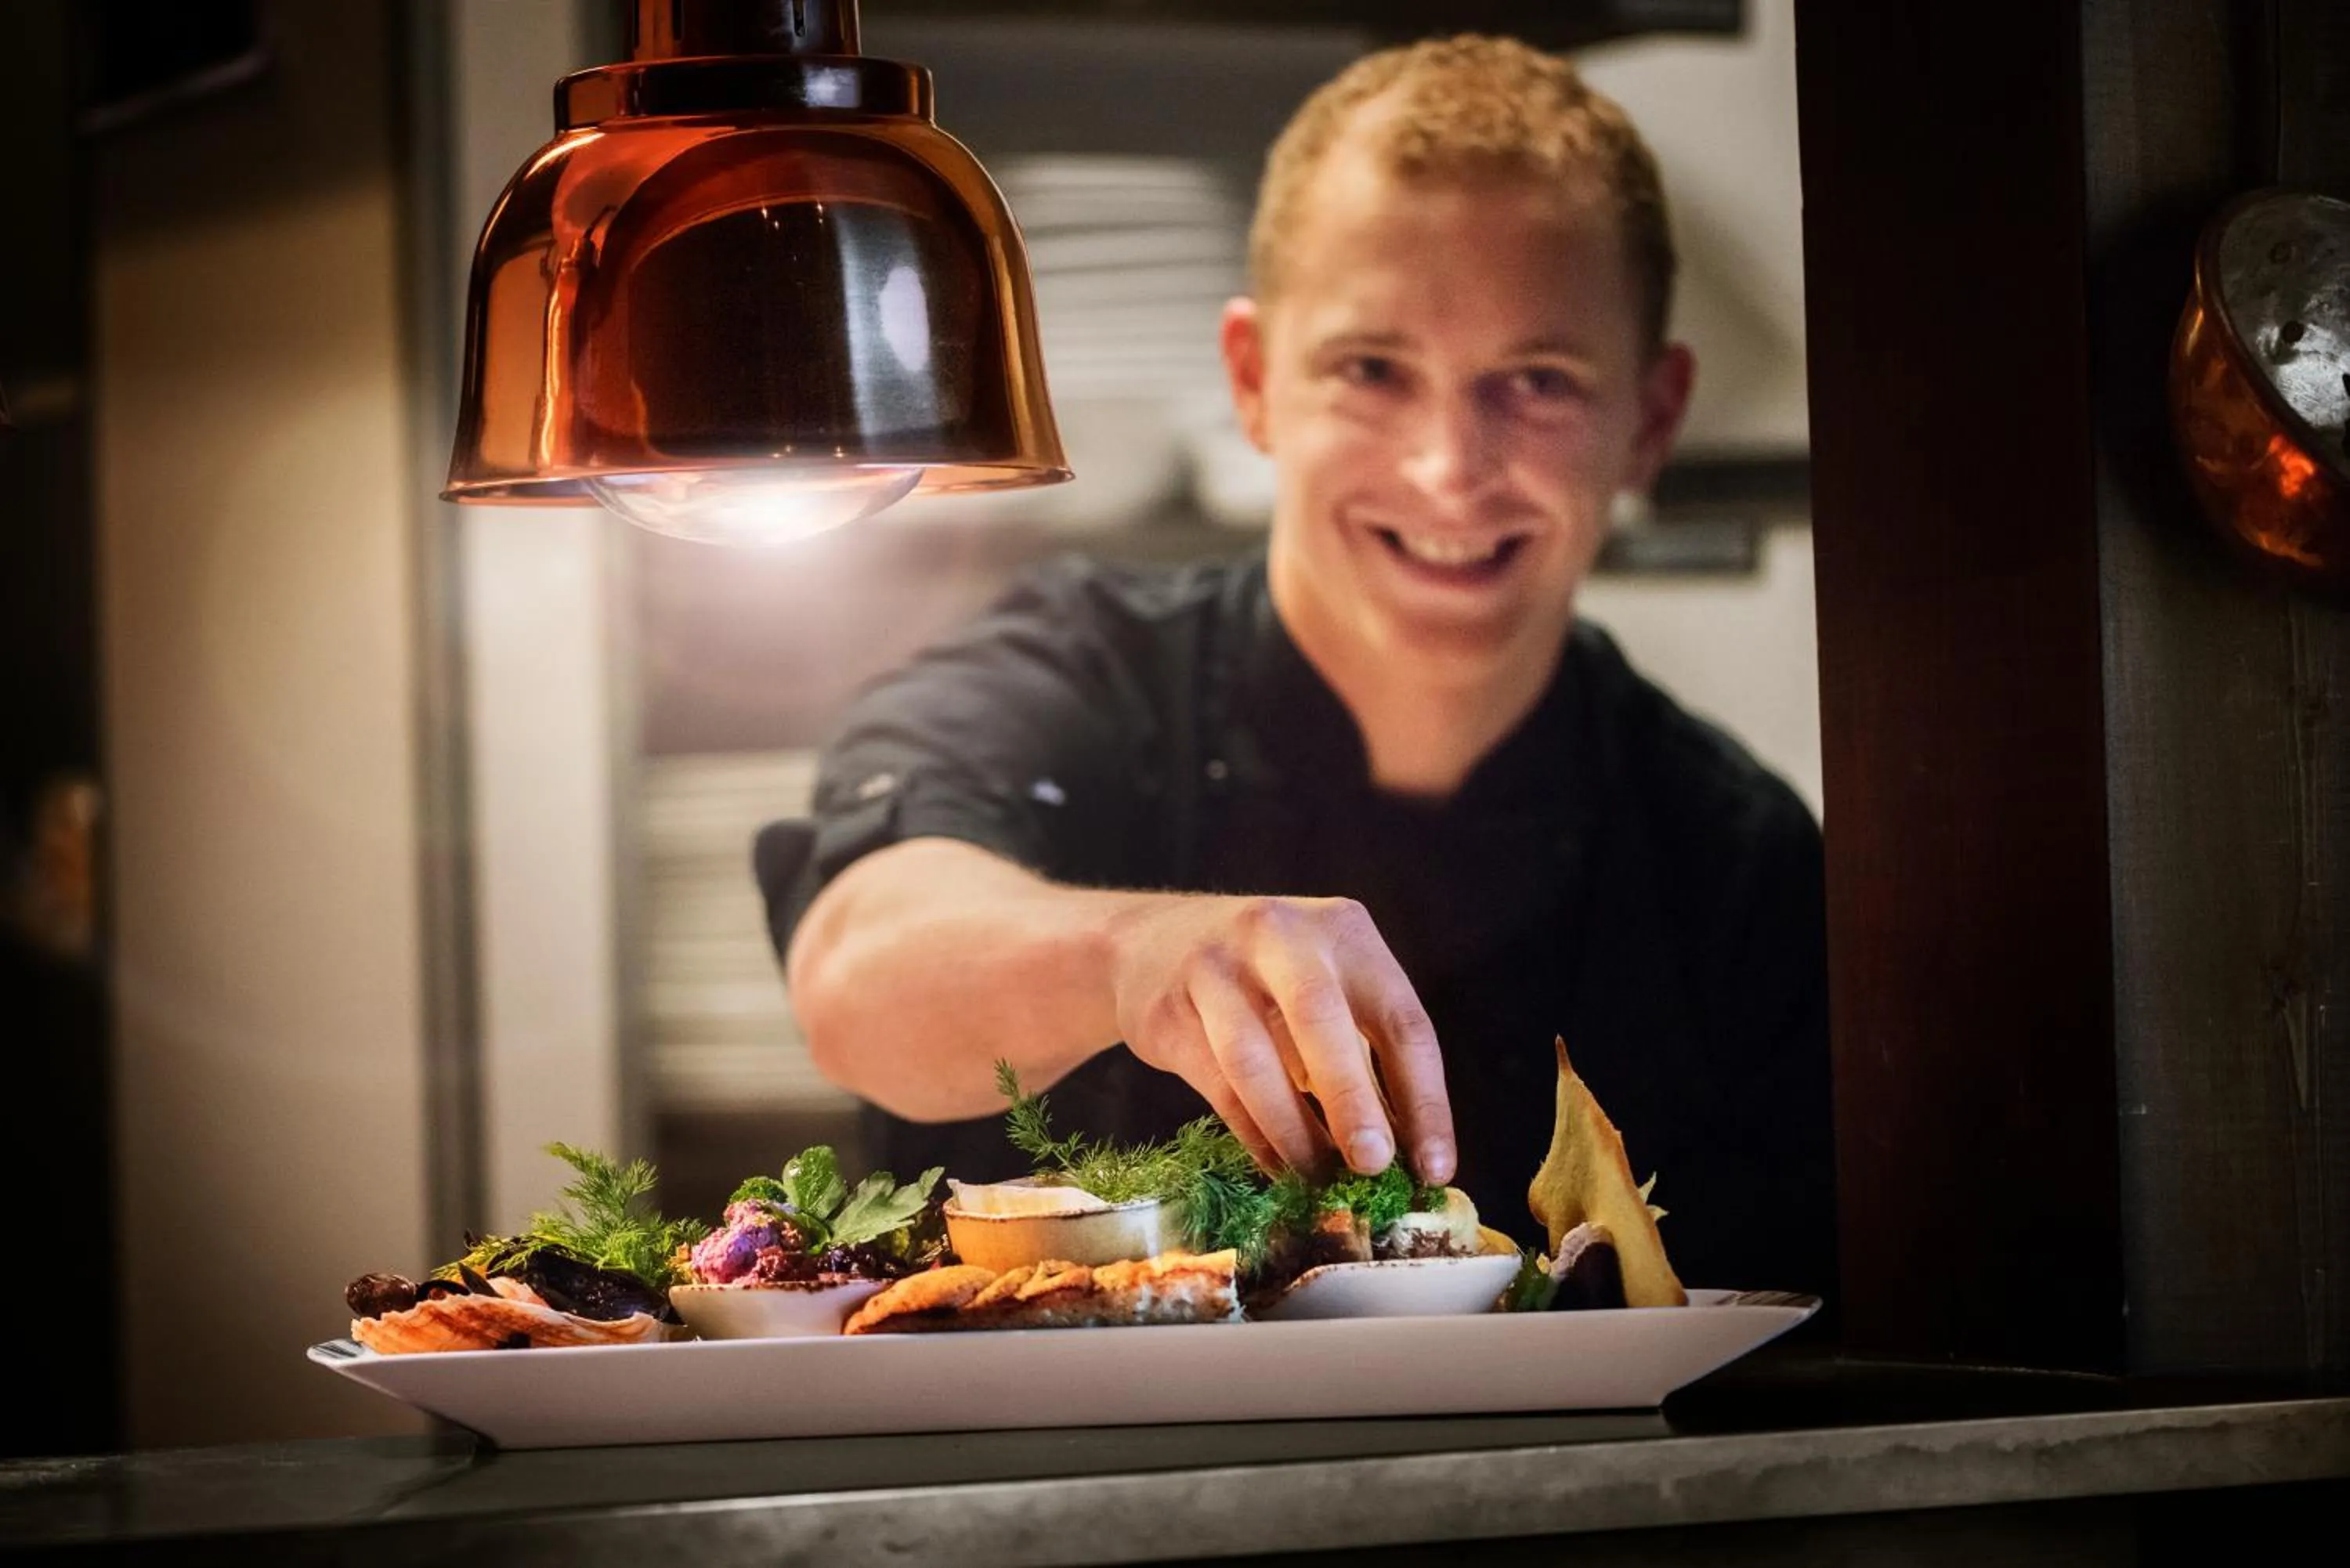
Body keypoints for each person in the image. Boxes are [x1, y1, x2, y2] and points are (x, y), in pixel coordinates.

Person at [759, 35, 1835, 1299]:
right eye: (1373, 369)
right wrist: (1133, 959)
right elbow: (857, 967)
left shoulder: (1738, 865)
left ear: (1650, 419)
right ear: (1255, 378)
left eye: (1536, 381)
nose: (1449, 467)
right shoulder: (1070, 676)